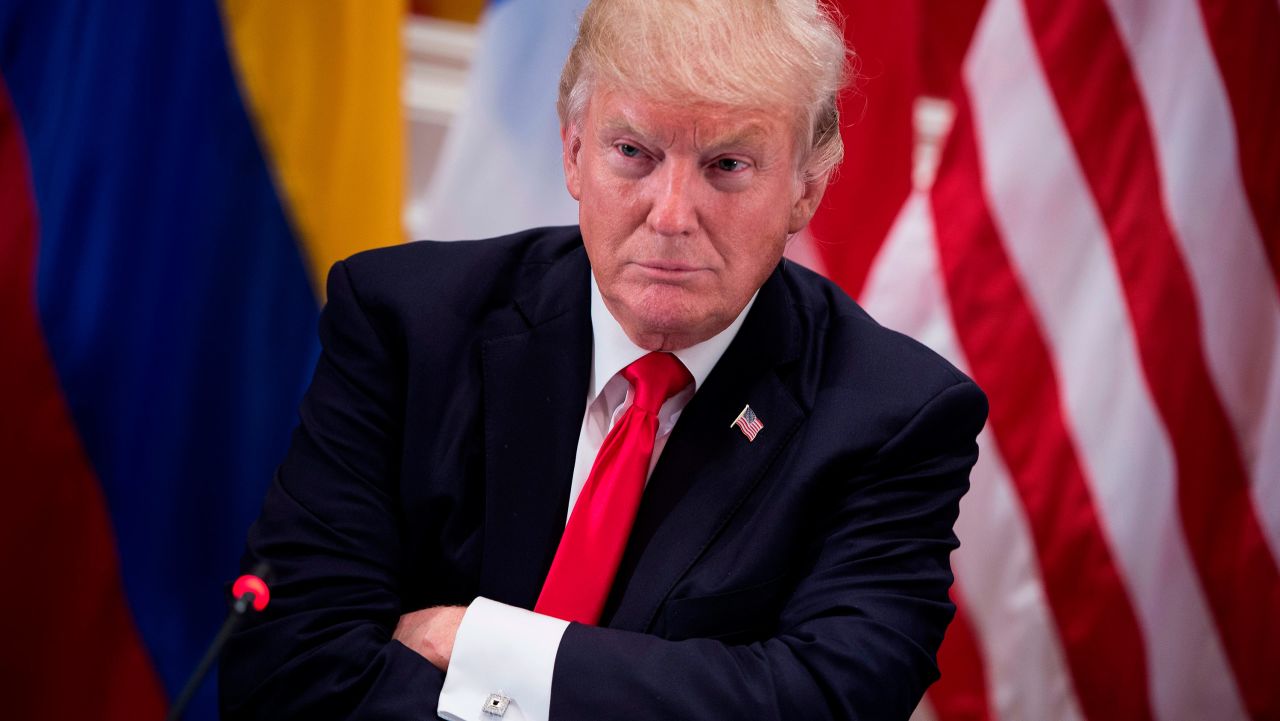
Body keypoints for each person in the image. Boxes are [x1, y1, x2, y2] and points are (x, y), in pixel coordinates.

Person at [220, 0, 987, 719]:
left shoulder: (895, 418)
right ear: (574, 151)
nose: (672, 214)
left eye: (728, 165)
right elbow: (285, 664)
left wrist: (480, 646)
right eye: (632, 153)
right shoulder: (409, 323)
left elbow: (828, 698)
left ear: (806, 186)